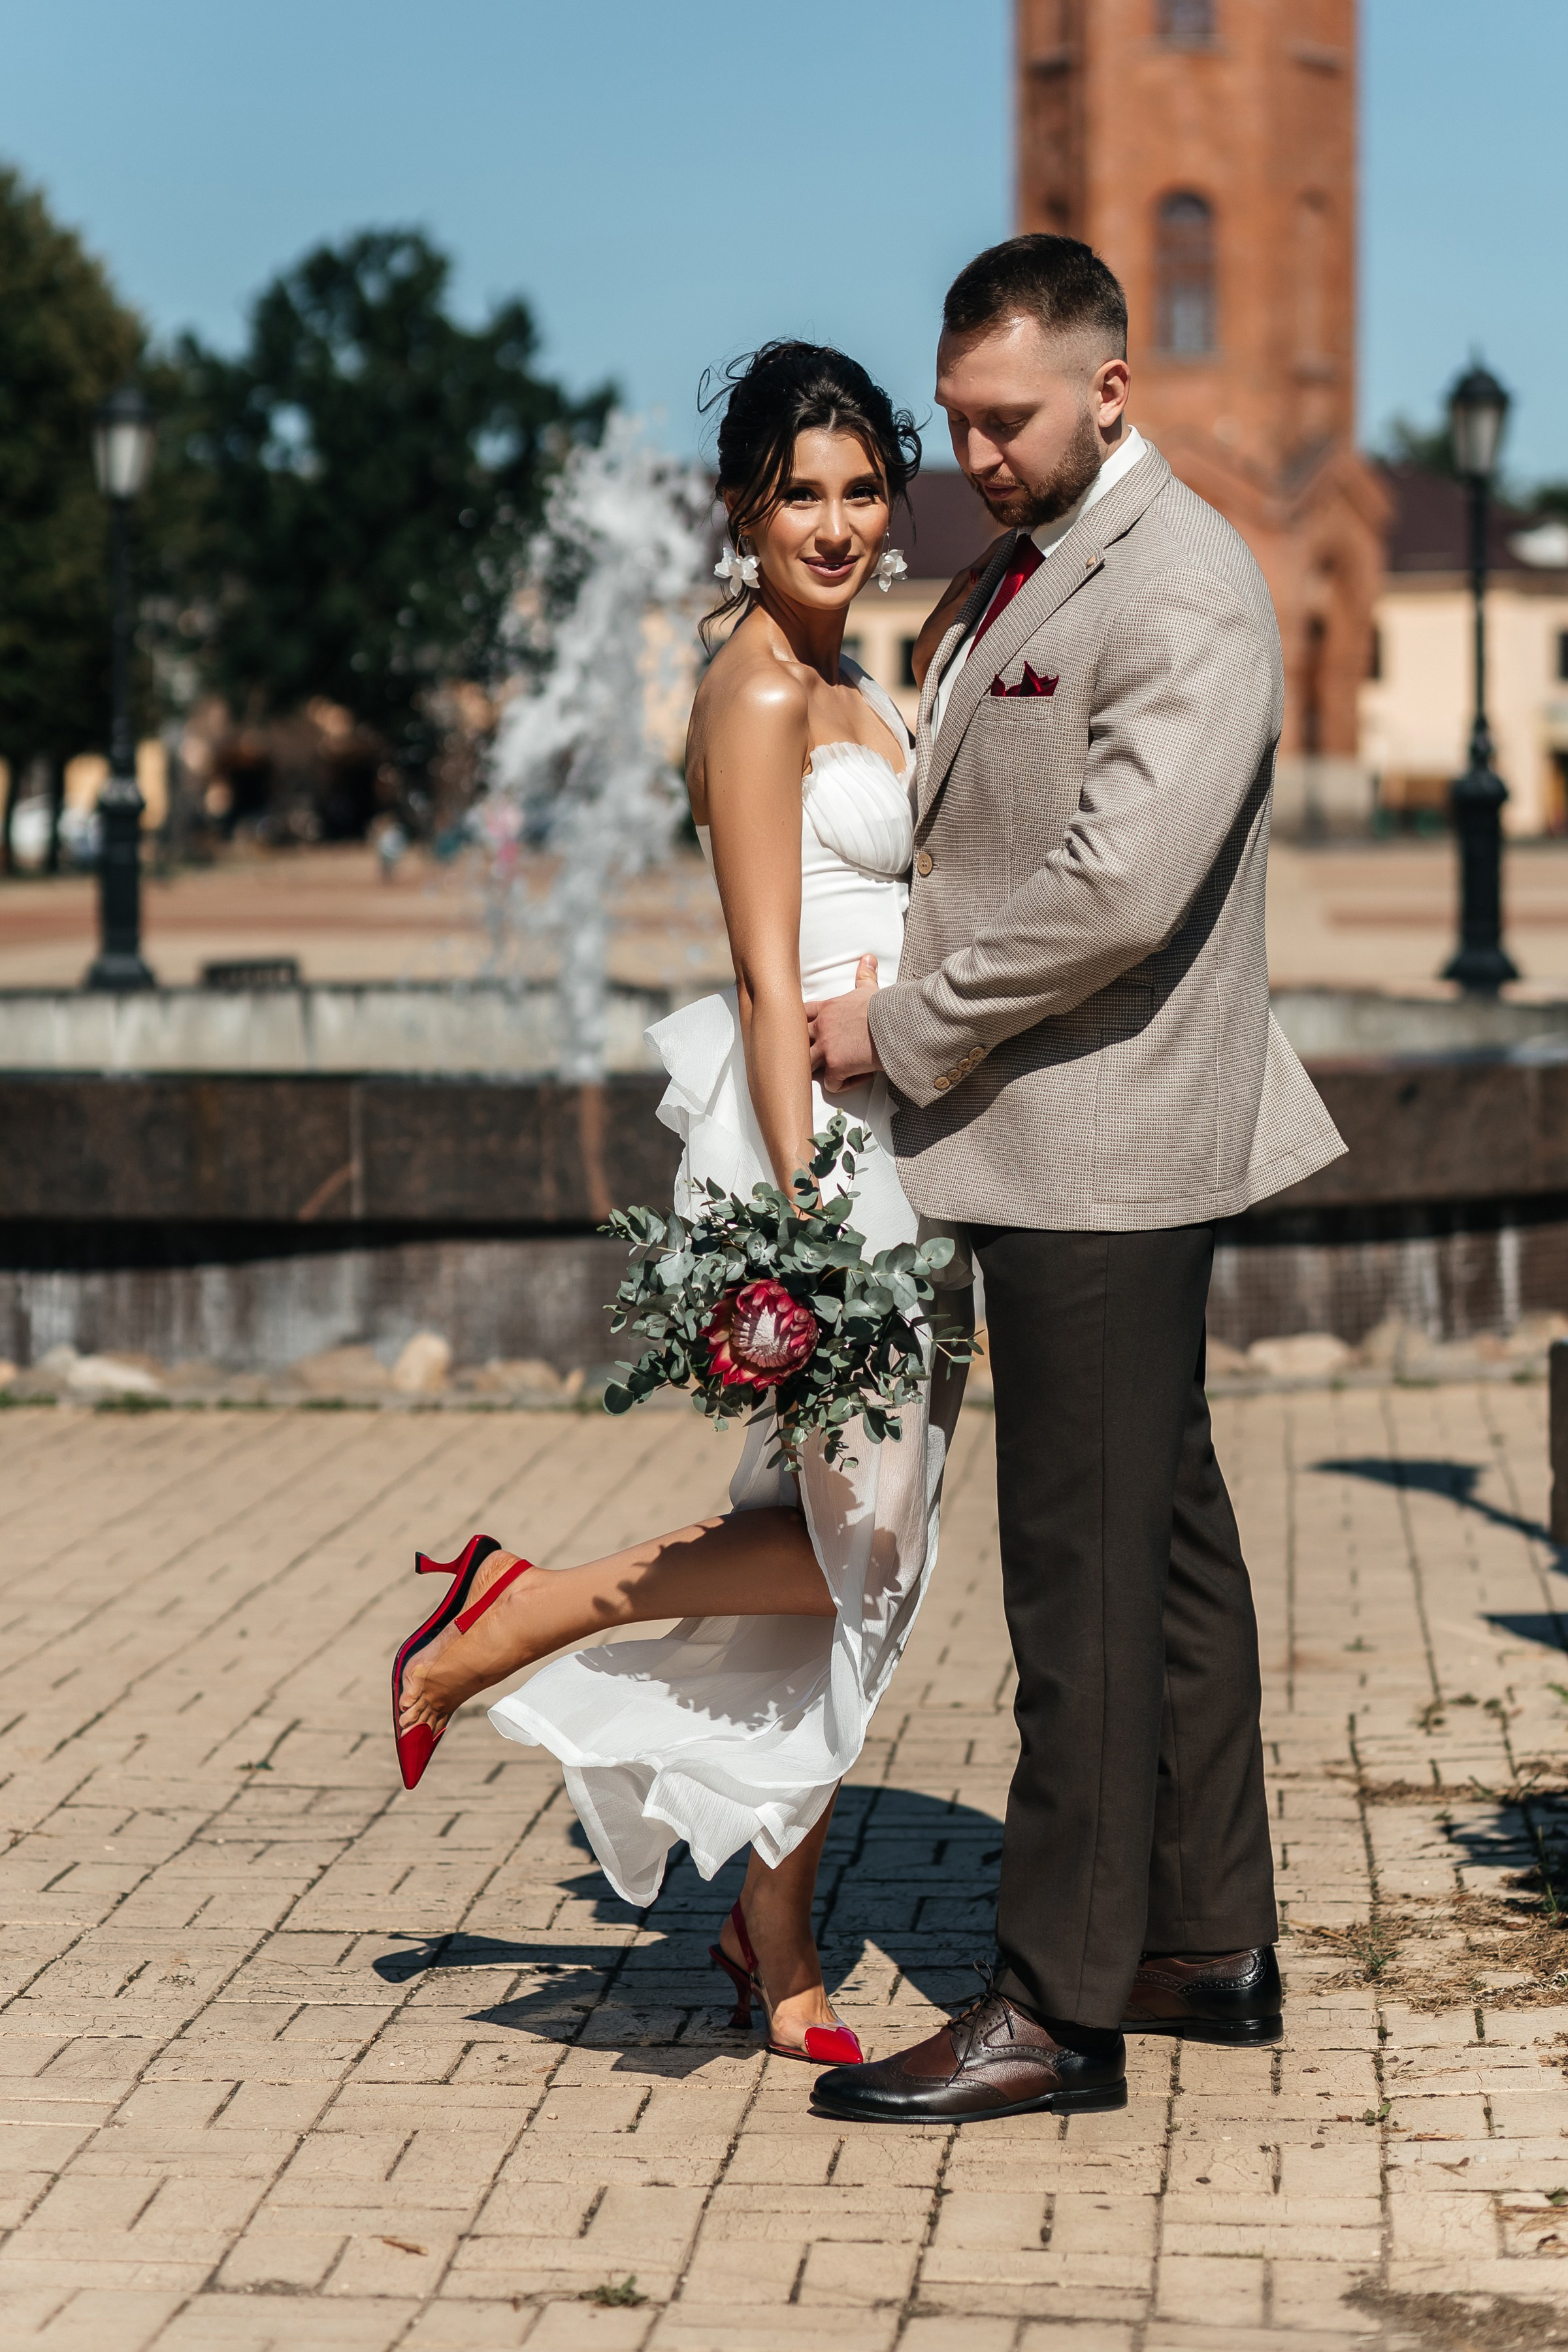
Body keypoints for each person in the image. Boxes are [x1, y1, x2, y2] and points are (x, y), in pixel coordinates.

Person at [806, 235, 1347, 2125]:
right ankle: (1206, 1937)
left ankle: (1051, 2007)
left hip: (1101, 1148)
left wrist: (910, 1029)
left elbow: (1117, 886)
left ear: (1111, 391)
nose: (973, 453)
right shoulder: (1034, 561)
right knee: (1170, 1548)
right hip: (1071, 1136)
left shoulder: (1183, 583)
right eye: (957, 419)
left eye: (1006, 418)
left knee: (1081, 1585)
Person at [391, 343, 970, 2068]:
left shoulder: (850, 673)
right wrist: (802, 1239)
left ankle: (772, 1942)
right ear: (740, 507)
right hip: (818, 1159)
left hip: (897, 1146)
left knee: (859, 1552)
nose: (841, 521)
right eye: (805, 490)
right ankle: (518, 1607)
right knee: (853, 1542)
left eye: (866, 488)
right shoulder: (760, 690)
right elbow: (762, 965)